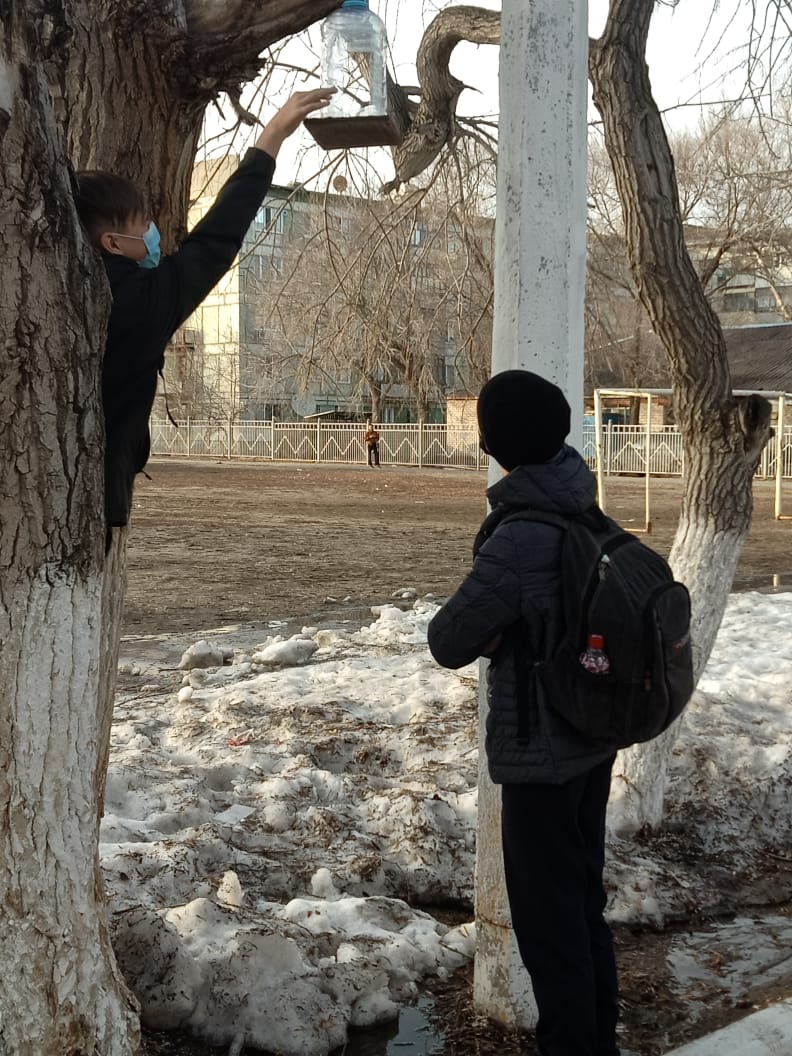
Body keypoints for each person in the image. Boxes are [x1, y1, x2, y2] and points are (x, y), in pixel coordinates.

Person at [427, 370, 631, 1056]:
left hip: (540, 756)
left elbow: (448, 640)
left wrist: (501, 630)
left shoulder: (518, 535)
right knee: (582, 907)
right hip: (590, 738)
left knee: (549, 926)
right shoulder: (584, 506)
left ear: (493, 441)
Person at [74, 87, 334, 536]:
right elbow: (217, 236)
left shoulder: (62, 287)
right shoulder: (139, 301)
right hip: (92, 494)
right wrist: (272, 134)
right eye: (143, 224)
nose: (153, 231)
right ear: (112, 243)